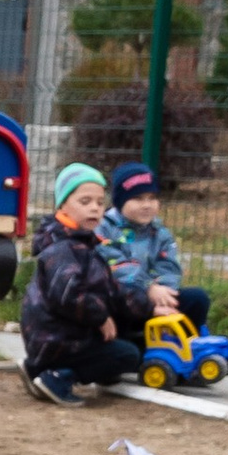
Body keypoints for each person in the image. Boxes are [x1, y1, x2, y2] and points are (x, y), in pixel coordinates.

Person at [20, 165, 142, 401]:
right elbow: (68, 294)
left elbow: (108, 289)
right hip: (57, 340)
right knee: (127, 355)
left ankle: (37, 369)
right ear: (62, 205)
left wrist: (147, 304)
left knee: (126, 341)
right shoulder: (63, 248)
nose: (94, 208)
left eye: (99, 202)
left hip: (59, 336)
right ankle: (57, 376)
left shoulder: (81, 243)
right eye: (85, 201)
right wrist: (100, 316)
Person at [99, 160, 211, 336]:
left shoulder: (160, 233)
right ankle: (136, 341)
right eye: (137, 198)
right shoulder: (104, 228)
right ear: (120, 202)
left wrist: (163, 294)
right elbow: (116, 266)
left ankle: (180, 343)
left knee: (197, 299)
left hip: (157, 296)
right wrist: (148, 288)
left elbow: (169, 267)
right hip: (124, 298)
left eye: (152, 198)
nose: (146, 205)